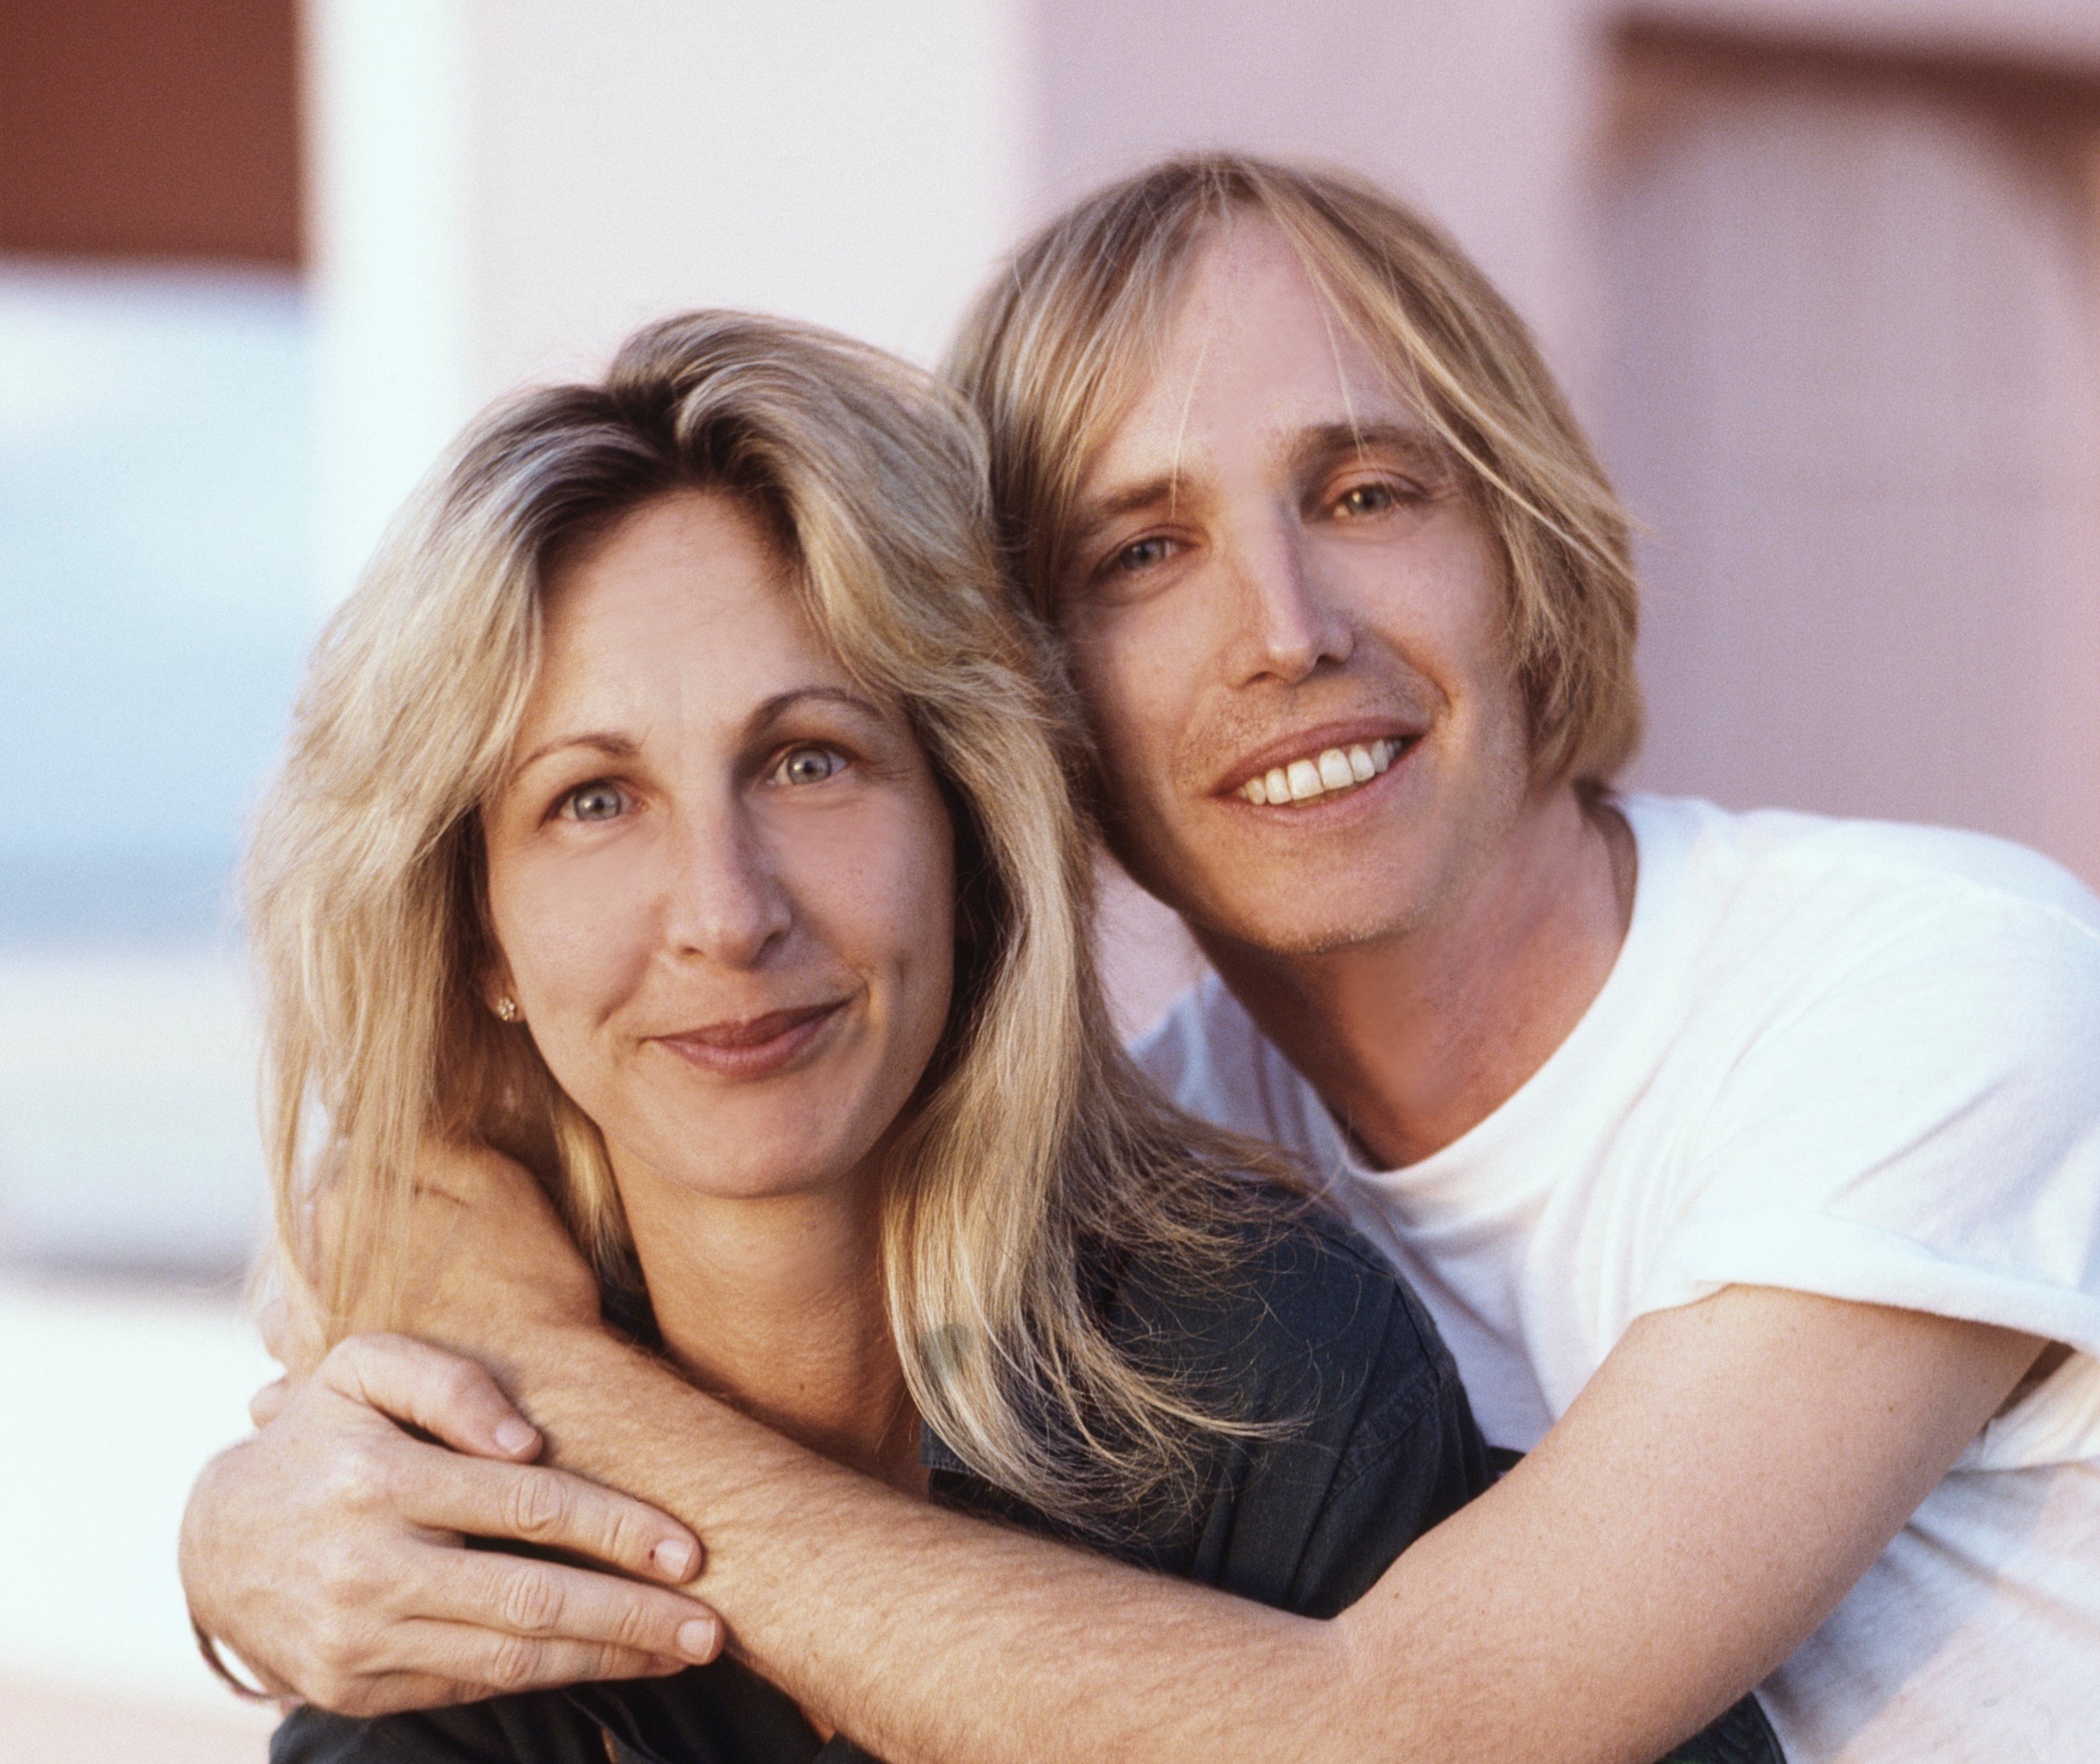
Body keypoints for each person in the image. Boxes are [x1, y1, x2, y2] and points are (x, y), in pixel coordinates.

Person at [183, 158, 2100, 1761]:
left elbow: (1400, 1729)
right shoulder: (1175, 1164)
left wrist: (555, 1403)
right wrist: (252, 1527)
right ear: (1029, 701)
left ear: (1523, 542)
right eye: (1141, 551)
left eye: (1368, 489)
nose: (1281, 625)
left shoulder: (1929, 1000)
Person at [210, 308, 1774, 1764]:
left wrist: (563, 1387)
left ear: (968, 830)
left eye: (810, 760)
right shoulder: (432, 1498)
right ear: (479, 930)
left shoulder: (1253, 1376)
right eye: (593, 800)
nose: (725, 910)